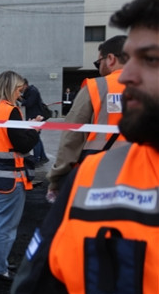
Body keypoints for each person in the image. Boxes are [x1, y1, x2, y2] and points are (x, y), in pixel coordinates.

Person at [0, 0, 158, 294]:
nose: (127, 76)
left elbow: (71, 135)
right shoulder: (92, 183)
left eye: (149, 59)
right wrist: (58, 177)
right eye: (129, 58)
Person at [46, 35, 129, 202]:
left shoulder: (97, 87)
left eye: (98, 63)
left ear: (111, 59)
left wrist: (57, 178)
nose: (98, 68)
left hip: (100, 175)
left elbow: (71, 137)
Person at [0, 71, 40, 283]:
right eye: (19, 90)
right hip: (9, 179)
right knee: (5, 226)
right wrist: (34, 129)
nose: (20, 94)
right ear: (11, 88)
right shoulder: (9, 112)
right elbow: (22, 144)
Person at [20, 79, 49, 164]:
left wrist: (19, 98)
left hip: (37, 117)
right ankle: (43, 157)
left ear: (25, 85)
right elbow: (25, 101)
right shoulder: (28, 91)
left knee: (35, 137)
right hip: (33, 116)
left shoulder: (33, 91)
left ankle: (37, 159)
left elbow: (28, 103)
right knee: (37, 137)